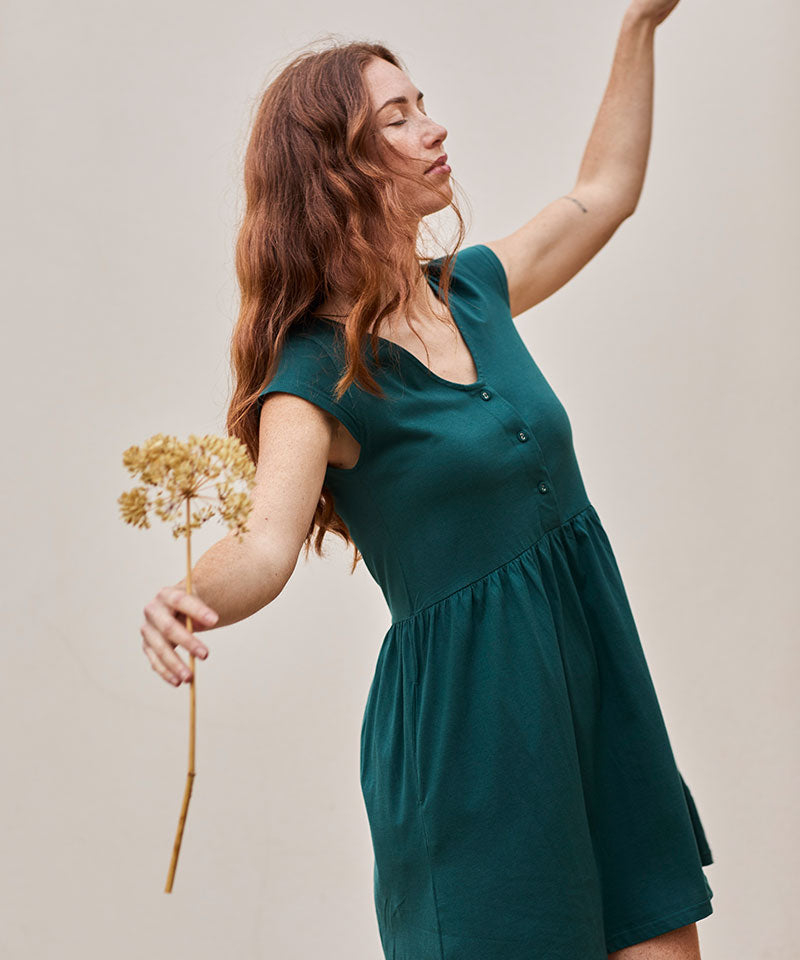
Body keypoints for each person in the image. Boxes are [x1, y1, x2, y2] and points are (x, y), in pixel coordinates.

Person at [139, 8, 716, 959]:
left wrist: (639, 24)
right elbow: (267, 549)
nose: (433, 129)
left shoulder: (477, 290)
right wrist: (185, 596)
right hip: (475, 731)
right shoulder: (315, 377)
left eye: (423, 106)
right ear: (338, 169)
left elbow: (606, 190)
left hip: (597, 688)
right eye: (397, 119)